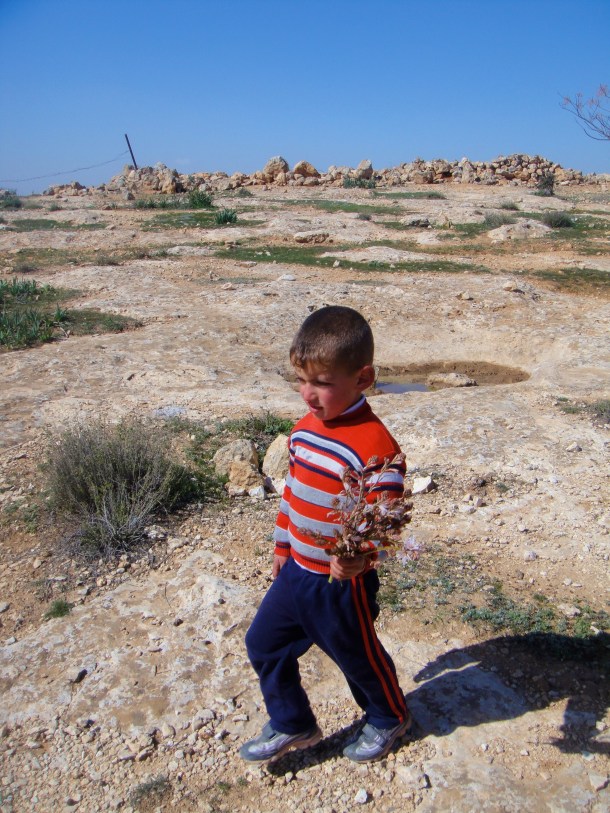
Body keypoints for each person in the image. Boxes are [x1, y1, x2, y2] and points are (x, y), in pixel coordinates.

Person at [240, 305, 411, 764]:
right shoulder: (302, 432)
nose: (308, 395)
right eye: (302, 380)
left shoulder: (377, 449)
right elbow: (292, 493)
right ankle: (292, 721)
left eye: (322, 383)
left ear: (363, 378)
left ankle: (388, 715)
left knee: (357, 657)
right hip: (296, 570)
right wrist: (282, 543)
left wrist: (361, 558)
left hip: (339, 584)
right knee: (264, 643)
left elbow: (385, 520)